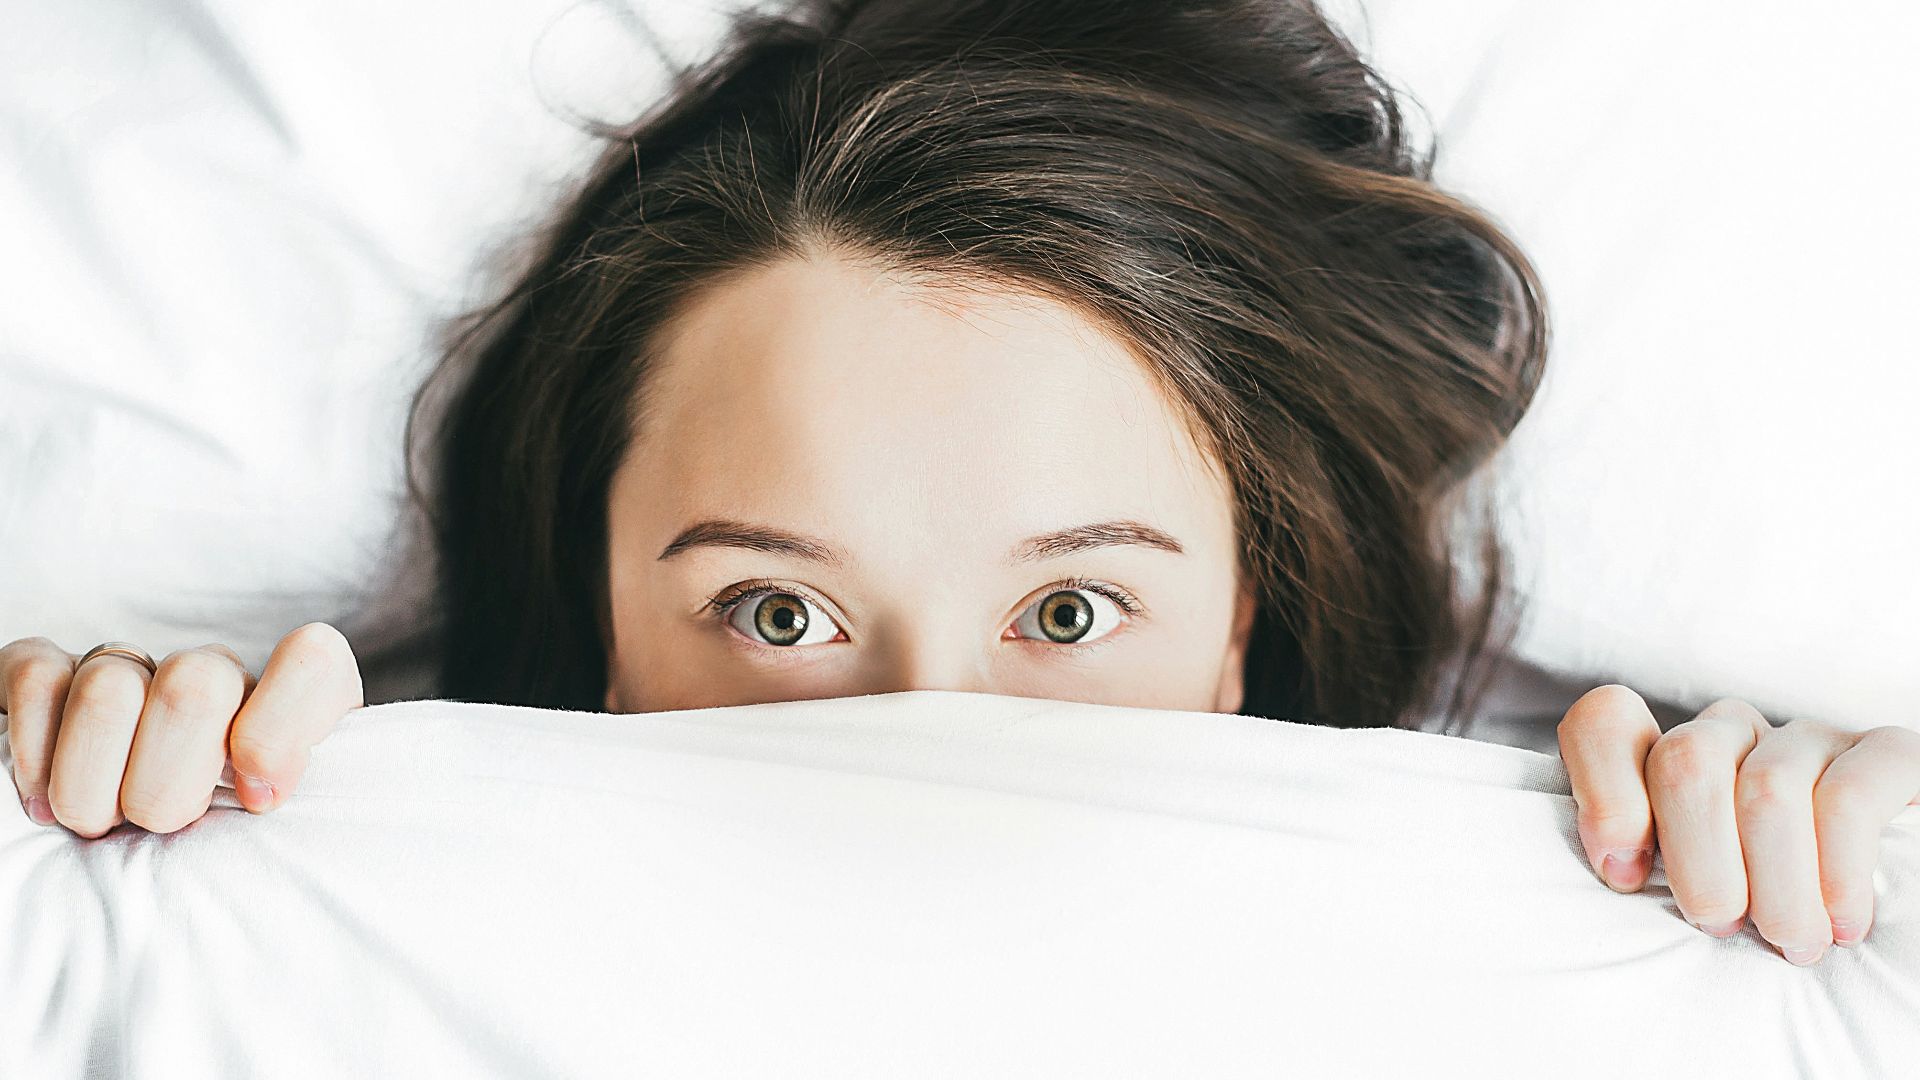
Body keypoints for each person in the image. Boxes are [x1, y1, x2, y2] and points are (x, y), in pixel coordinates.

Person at [4, 0, 1915, 969]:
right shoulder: (316, 906)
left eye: (1071, 612)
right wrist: (102, 803)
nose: (928, 748)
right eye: (779, 613)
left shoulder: (1586, 912)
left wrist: (1842, 862)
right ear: (594, 625)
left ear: (1244, 623)